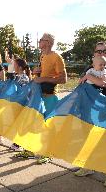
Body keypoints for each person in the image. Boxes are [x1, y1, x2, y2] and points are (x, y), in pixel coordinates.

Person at [74, 41, 106, 188]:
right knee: (88, 139)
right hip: (88, 109)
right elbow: (80, 85)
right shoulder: (89, 68)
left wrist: (88, 77)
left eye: (104, 50)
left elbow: (104, 83)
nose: (101, 53)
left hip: (105, 109)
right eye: (98, 51)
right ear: (94, 54)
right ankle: (88, 166)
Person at [32, 33, 67, 164]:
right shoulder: (42, 56)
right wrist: (38, 71)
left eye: (41, 39)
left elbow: (64, 79)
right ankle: (38, 149)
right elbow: (45, 72)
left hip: (51, 96)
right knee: (39, 124)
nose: (39, 41)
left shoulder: (56, 57)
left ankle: (49, 152)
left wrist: (43, 78)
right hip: (40, 95)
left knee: (49, 126)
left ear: (48, 42)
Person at [8, 58, 32, 153]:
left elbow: (23, 92)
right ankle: (17, 142)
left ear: (20, 67)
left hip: (21, 104)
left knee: (21, 124)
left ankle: (20, 143)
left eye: (15, 65)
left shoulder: (24, 78)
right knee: (17, 123)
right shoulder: (17, 76)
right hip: (16, 103)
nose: (13, 66)